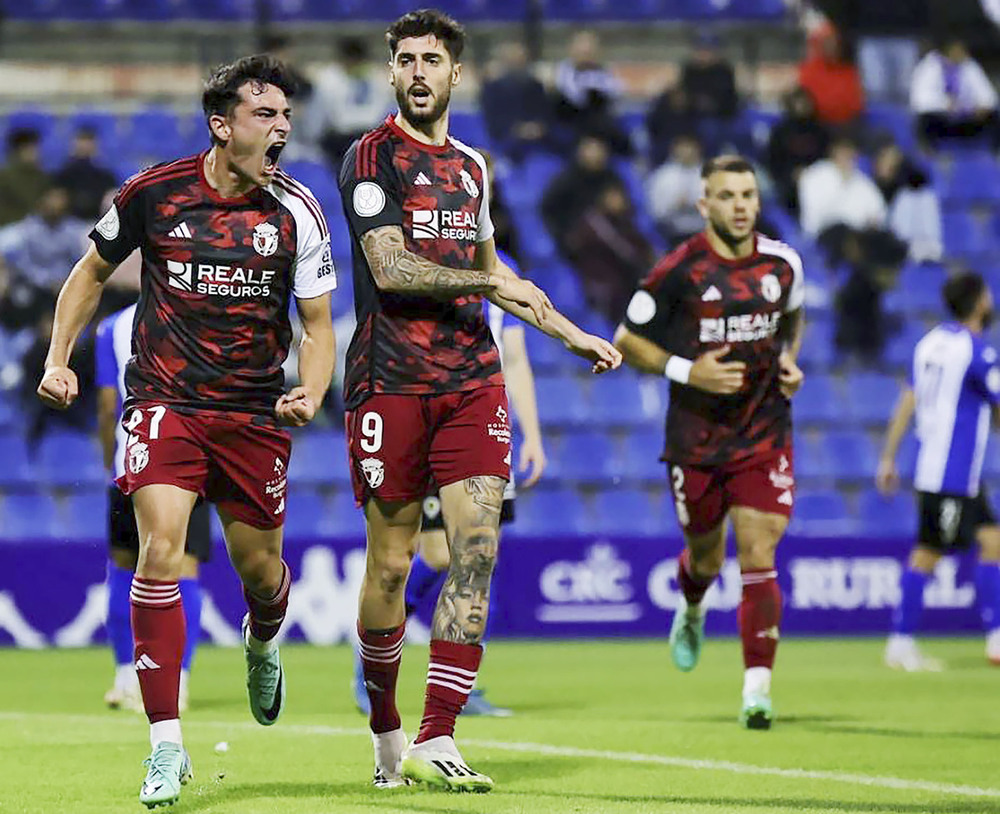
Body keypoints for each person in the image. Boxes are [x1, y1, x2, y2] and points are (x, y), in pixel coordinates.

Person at [36, 55, 337, 808]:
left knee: (262, 576)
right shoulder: (155, 193)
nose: (281, 129)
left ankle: (263, 640)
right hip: (166, 401)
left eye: (287, 118)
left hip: (252, 414)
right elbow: (88, 274)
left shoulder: (297, 209)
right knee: (159, 550)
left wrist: (314, 387)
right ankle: (166, 746)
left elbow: (320, 325)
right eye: (265, 115)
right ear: (223, 124)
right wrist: (59, 358)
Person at [337, 9, 620, 792]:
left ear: (456, 74)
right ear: (392, 72)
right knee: (391, 567)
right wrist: (490, 281)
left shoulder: (472, 167)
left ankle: (438, 735)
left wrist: (571, 332)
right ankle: (387, 729)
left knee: (477, 552)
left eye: (433, 59)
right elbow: (392, 270)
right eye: (406, 59)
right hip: (389, 382)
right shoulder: (370, 157)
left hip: (470, 380)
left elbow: (500, 273)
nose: (419, 71)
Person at [613, 155, 805, 730]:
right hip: (696, 439)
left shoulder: (783, 265)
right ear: (704, 206)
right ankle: (693, 605)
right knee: (705, 555)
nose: (741, 205)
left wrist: (789, 359)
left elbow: (792, 319)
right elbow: (628, 340)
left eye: (748, 194)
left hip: (765, 432)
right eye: (727, 195)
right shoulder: (678, 271)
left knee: (758, 553)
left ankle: (757, 689)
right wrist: (687, 371)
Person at [353, 273, 546, 717]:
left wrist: (532, 434)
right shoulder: (438, 260)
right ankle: (369, 652)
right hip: (434, 407)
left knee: (479, 556)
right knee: (438, 557)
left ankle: (462, 687)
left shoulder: (503, 265)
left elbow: (514, 359)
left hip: (483, 418)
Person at [876, 271, 1000, 669]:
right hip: (951, 471)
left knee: (993, 541)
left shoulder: (929, 344)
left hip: (947, 469)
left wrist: (888, 456)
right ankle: (900, 642)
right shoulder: (977, 352)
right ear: (979, 302)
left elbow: (908, 399)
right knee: (929, 552)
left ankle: (996, 638)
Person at [96, 302, 210, 714]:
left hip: (132, 459)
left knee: (125, 566)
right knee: (184, 568)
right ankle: (177, 679)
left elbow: (108, 404)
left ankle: (127, 678)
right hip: (188, 458)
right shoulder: (200, 312)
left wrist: (111, 456)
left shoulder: (112, 326)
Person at [911, 36, 1000, 152]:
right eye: (957, 49)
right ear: (948, 51)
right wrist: (944, 105)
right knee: (924, 120)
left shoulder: (969, 65)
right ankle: (930, 155)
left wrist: (983, 106)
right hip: (942, 120)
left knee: (994, 115)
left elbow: (989, 95)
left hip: (966, 119)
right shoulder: (929, 66)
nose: (962, 53)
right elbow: (919, 101)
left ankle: (995, 154)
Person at [798, 21, 865, 127]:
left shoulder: (850, 71)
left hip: (848, 125)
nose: (830, 46)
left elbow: (857, 104)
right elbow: (806, 102)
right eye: (826, 42)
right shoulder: (808, 70)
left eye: (833, 42)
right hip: (818, 125)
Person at [54, 126, 119, 221]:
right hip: (68, 223)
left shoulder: (105, 175)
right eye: (82, 141)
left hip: (97, 221)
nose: (85, 146)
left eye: (89, 141)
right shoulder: (63, 174)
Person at [0, 128, 50, 226]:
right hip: (10, 225)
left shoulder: (42, 176)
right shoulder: (4, 177)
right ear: (18, 152)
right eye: (28, 150)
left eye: (34, 149)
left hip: (38, 226)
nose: (33, 153)